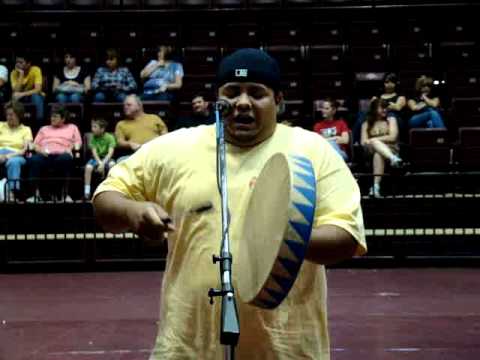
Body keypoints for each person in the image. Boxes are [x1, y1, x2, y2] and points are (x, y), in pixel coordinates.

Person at [93, 48, 366, 359]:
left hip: (286, 349)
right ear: (217, 100)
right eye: (232, 93)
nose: (243, 102)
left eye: (257, 93)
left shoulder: (313, 151)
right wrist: (133, 211)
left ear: (279, 100)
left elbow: (345, 237)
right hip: (187, 347)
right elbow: (106, 198)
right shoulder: (173, 148)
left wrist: (279, 243)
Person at [27, 105, 82, 203]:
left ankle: (65, 195)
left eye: (55, 116)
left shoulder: (72, 127)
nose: (52, 118)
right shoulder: (44, 129)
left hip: (62, 154)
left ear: (63, 118)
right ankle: (35, 195)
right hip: (45, 155)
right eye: (51, 116)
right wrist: (40, 151)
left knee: (66, 159)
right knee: (34, 160)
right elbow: (34, 145)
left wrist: (70, 148)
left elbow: (78, 142)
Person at [361, 98, 402, 198]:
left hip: (391, 148)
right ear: (374, 109)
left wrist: (373, 140)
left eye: (386, 107)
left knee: (378, 154)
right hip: (370, 151)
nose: (385, 110)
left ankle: (375, 187)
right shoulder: (366, 124)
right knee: (375, 144)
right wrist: (374, 141)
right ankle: (393, 159)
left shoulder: (391, 120)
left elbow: (393, 137)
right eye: (382, 107)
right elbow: (363, 142)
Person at [115, 95, 167, 162]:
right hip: (136, 155)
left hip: (156, 153)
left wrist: (157, 142)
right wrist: (130, 144)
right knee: (120, 161)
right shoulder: (121, 124)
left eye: (129, 105)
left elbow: (165, 135)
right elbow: (120, 141)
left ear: (139, 105)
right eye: (124, 105)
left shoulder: (154, 118)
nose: (125, 107)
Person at [0, 101, 33, 201]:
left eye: (11, 114)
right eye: (7, 114)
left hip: (16, 155)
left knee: (14, 162)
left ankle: (12, 193)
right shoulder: (0, 125)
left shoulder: (26, 129)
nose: (9, 117)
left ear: (19, 115)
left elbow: (25, 149)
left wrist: (8, 156)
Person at [84, 118, 116, 199]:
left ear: (102, 129)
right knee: (88, 167)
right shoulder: (93, 138)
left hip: (107, 158)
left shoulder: (110, 137)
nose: (92, 129)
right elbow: (94, 152)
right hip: (96, 158)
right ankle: (87, 191)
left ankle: (112, 189)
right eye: (92, 127)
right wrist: (99, 163)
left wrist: (103, 163)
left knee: (113, 165)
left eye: (95, 127)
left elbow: (110, 153)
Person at [10, 53, 45, 126]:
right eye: (17, 62)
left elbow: (38, 89)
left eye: (21, 62)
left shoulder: (36, 70)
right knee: (14, 97)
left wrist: (22, 94)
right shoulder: (13, 73)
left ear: (28, 64)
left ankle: (39, 124)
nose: (18, 64)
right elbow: (16, 92)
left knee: (36, 96)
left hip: (32, 95)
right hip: (21, 97)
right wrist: (21, 74)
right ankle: (14, 123)